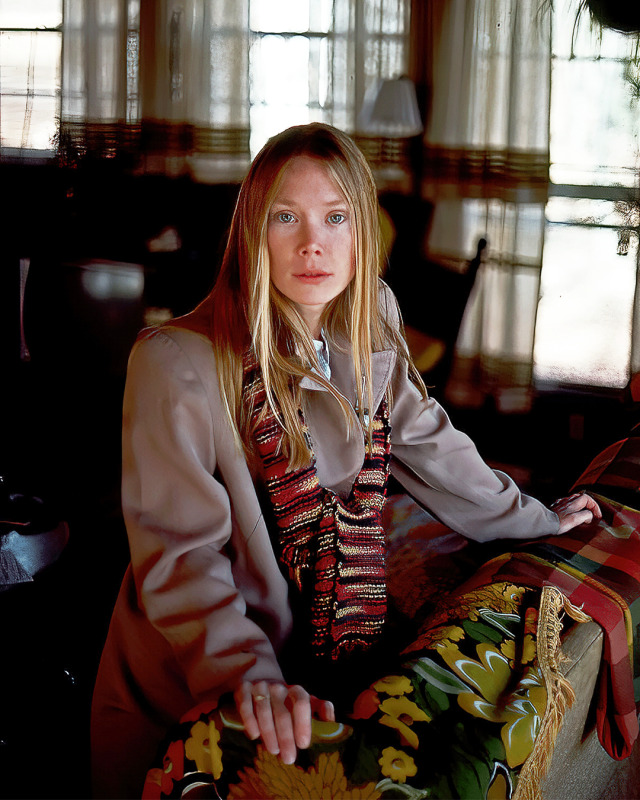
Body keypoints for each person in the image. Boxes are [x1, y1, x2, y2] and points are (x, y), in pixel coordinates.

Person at [90, 122, 600, 798]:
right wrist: (252, 678)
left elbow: (429, 442)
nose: (312, 244)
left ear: (362, 232)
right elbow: (183, 557)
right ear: (252, 231)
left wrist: (534, 517)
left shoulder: (368, 317)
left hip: (322, 654)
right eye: (286, 217)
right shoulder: (173, 360)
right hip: (194, 678)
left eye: (335, 217)